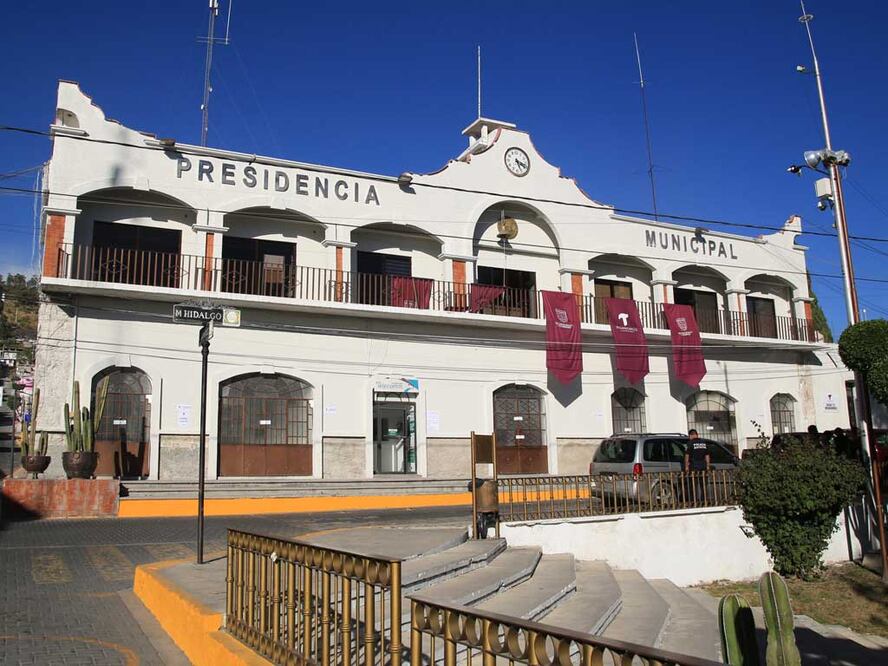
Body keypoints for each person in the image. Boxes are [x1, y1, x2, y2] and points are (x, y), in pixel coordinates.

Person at [683, 429, 711, 503]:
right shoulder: (703, 443)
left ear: (691, 435)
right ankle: (704, 500)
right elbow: (707, 455)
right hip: (703, 466)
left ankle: (695, 501)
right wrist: (708, 465)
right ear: (697, 434)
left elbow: (687, 455)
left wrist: (686, 466)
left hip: (694, 466)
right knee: (703, 485)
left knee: (693, 485)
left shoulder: (690, 443)